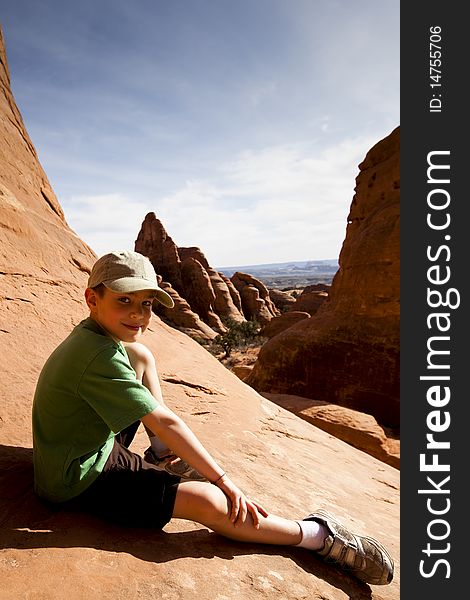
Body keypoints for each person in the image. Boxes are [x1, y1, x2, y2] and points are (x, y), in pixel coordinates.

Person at [32, 250, 394, 587]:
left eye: (146, 304)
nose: (138, 315)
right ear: (92, 299)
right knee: (211, 502)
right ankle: (317, 535)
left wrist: (165, 444)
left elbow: (143, 397)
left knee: (140, 355)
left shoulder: (93, 337)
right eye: (123, 301)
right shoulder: (99, 357)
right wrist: (223, 480)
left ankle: (160, 454)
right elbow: (167, 422)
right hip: (76, 479)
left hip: (86, 446)